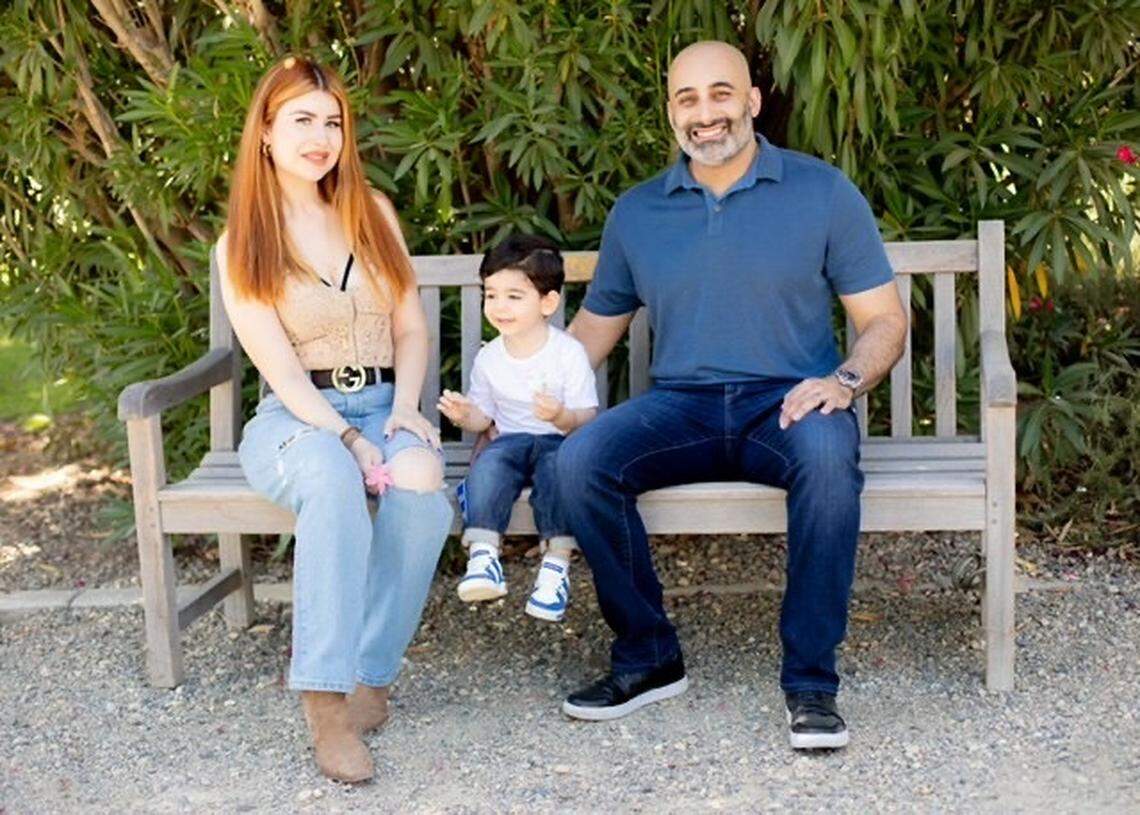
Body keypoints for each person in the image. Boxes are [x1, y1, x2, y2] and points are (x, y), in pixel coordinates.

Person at [556, 41, 907, 750]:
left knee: (829, 462)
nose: (705, 113)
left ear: (751, 101)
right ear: (670, 113)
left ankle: (811, 682)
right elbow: (592, 332)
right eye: (687, 99)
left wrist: (841, 382)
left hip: (788, 403)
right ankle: (649, 655)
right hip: (681, 407)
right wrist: (511, 399)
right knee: (578, 462)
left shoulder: (822, 192)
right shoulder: (639, 212)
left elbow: (884, 320)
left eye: (721, 94)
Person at [217, 56, 453, 782]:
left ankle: (370, 679)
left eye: (332, 121)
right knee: (330, 478)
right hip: (296, 417)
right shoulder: (244, 242)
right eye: (301, 120)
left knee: (420, 490)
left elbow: (411, 327)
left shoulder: (371, 211)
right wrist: (348, 437)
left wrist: (406, 409)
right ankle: (324, 700)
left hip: (385, 398)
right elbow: (281, 370)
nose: (321, 136)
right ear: (264, 131)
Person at [437, 233, 598, 622]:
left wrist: (560, 415)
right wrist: (464, 414)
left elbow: (586, 415)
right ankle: (484, 556)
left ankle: (555, 568)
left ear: (548, 302)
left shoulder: (566, 353)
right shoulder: (489, 358)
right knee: (489, 466)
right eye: (491, 295)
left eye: (514, 295)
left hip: (557, 442)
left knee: (559, 475)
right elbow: (485, 420)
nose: (499, 306)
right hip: (508, 441)